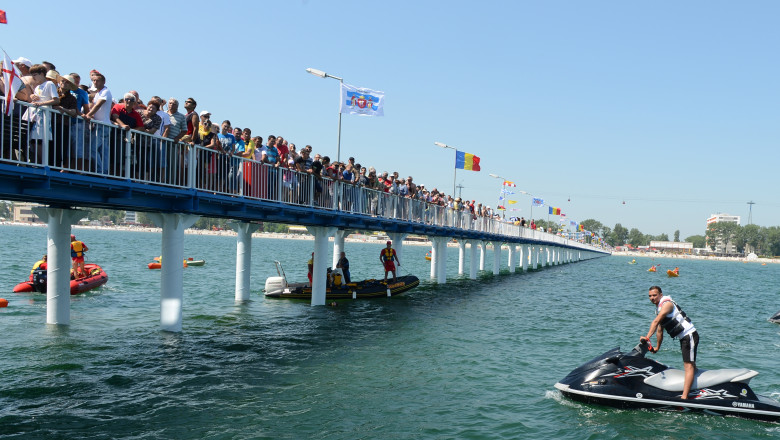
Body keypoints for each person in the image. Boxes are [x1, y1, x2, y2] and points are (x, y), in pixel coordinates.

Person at [640, 285, 699, 399]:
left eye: (654, 295)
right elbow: (659, 330)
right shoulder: (659, 308)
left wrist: (647, 337)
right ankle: (695, 382)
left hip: (689, 335)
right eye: (650, 296)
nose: (652, 298)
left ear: (660, 295)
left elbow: (656, 321)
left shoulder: (667, 304)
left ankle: (684, 397)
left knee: (688, 365)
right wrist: (657, 347)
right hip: (684, 337)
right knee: (690, 363)